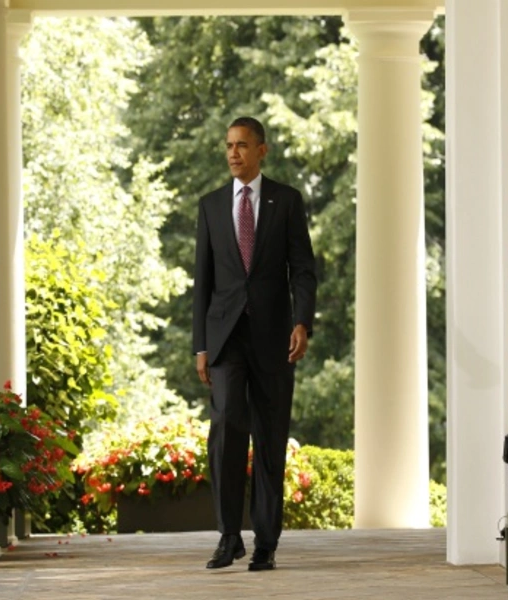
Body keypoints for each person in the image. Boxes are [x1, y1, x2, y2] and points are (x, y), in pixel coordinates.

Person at [192, 116, 317, 572]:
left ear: (261, 150)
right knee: (225, 430)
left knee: (269, 437)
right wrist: (200, 346)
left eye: (242, 145)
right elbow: (202, 281)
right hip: (225, 340)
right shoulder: (209, 206)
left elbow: (302, 268)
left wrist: (302, 321)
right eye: (228, 145)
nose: (233, 153)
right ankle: (229, 536)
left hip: (274, 338)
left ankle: (265, 542)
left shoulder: (286, 201)